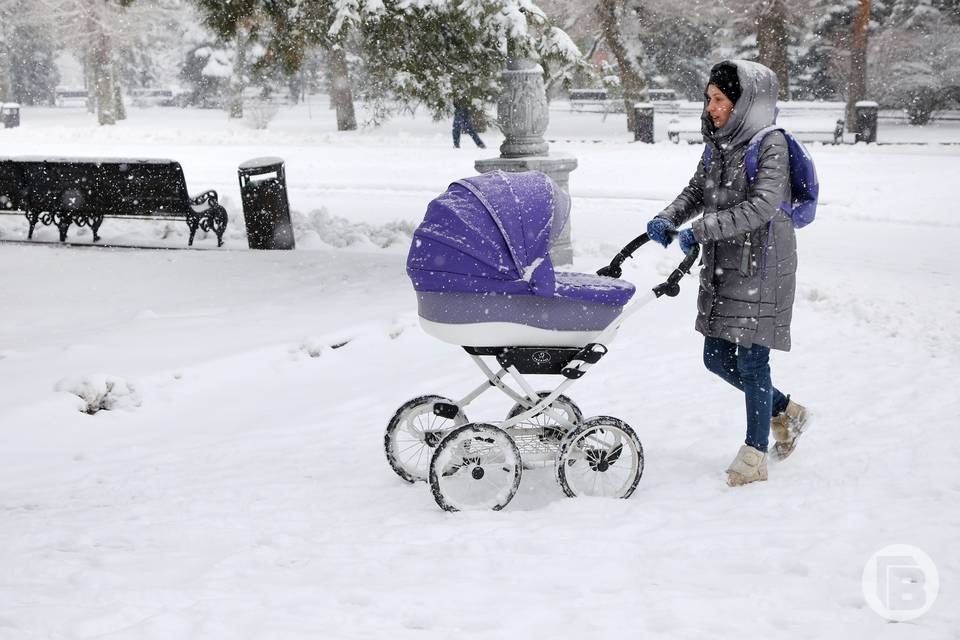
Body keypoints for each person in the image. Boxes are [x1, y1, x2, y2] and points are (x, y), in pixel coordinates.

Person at [644, 60, 809, 487]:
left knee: (753, 361)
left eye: (720, 99)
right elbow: (698, 190)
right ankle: (786, 411)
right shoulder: (719, 143)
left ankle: (754, 457)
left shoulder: (770, 143)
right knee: (715, 357)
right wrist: (669, 217)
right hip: (725, 262)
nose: (711, 107)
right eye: (709, 98)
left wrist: (701, 229)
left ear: (745, 103)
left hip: (764, 264)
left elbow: (763, 206)